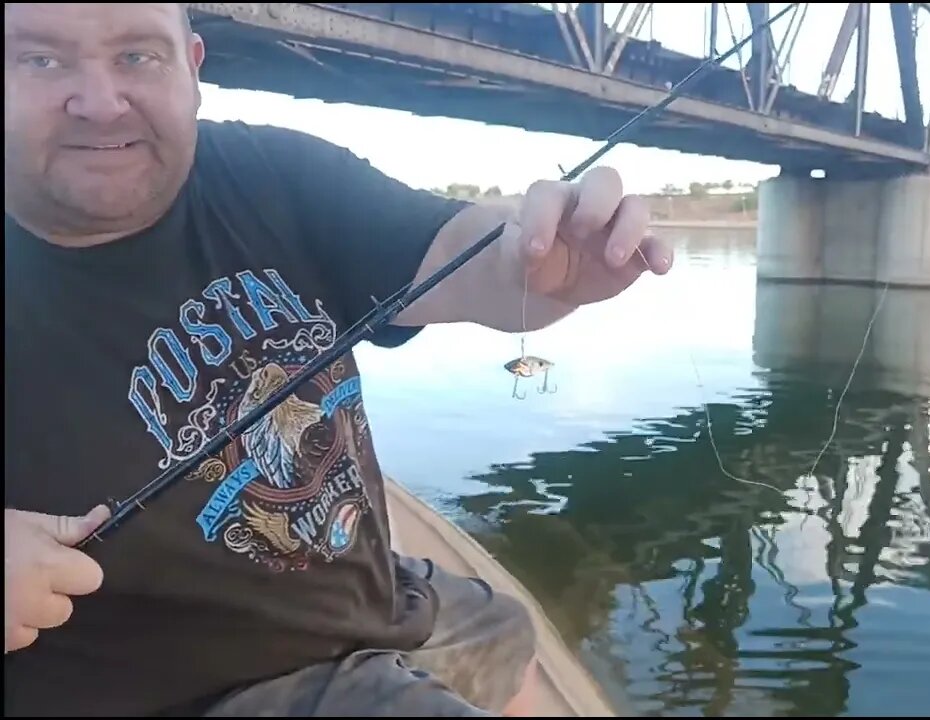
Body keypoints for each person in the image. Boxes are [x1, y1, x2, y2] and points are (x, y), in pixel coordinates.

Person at [4, 2, 671, 716]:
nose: (101, 103)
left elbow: (459, 254)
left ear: (193, 70)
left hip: (365, 604)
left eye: (138, 56)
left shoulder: (271, 174)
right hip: (186, 691)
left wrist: (540, 260)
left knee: (504, 627)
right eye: (41, 59)